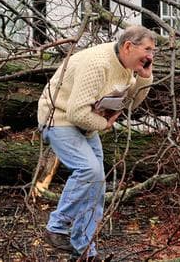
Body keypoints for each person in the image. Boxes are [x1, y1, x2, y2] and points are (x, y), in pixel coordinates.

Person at [38, 26, 156, 260]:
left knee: (97, 183)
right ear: (128, 46)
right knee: (88, 170)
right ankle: (56, 227)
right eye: (148, 49)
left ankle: (85, 250)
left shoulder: (125, 66)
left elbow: (131, 104)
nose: (151, 56)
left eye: (154, 50)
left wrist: (145, 78)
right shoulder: (98, 64)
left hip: (86, 123)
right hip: (58, 119)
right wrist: (104, 125)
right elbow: (75, 113)